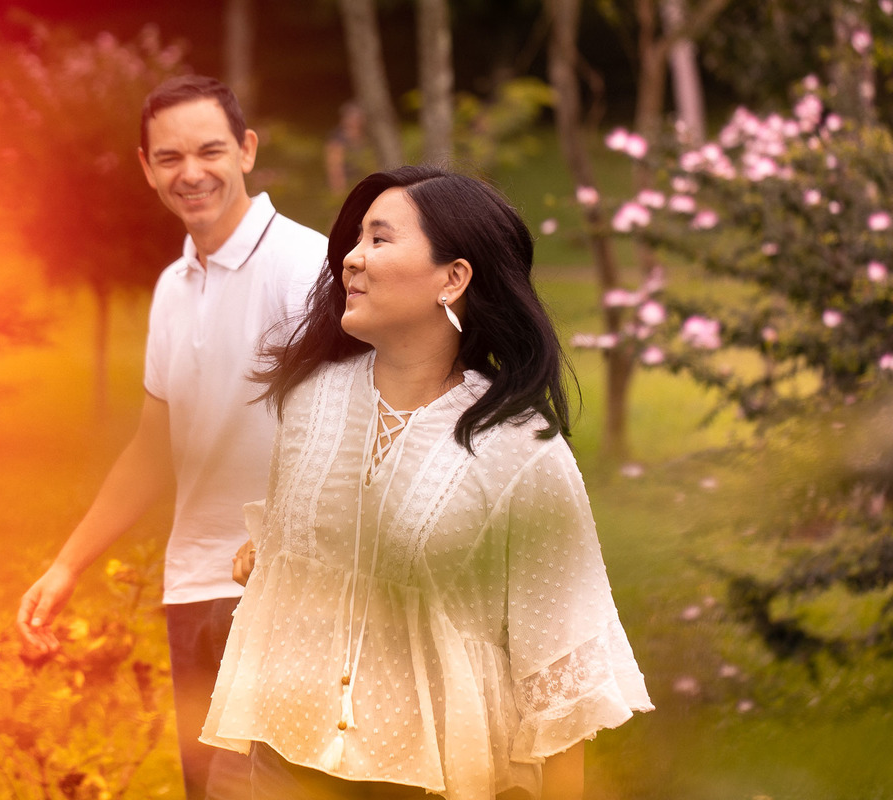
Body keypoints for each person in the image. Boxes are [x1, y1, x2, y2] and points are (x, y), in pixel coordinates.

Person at [201, 165, 653, 799]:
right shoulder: (310, 403)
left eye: (380, 240)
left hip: (436, 777)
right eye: (355, 241)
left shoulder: (520, 448)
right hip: (287, 756)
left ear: (454, 277)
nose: (351, 260)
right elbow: (298, 554)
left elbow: (562, 662)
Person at [15, 75, 328, 800]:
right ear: (146, 168)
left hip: (286, 590)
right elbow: (157, 448)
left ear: (247, 150)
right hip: (192, 591)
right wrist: (67, 566)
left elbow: (354, 423)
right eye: (170, 157)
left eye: (211, 150)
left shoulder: (305, 267)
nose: (191, 173)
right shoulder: (172, 287)